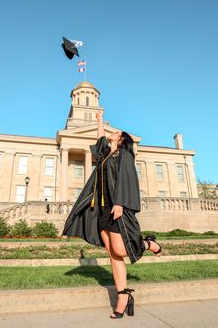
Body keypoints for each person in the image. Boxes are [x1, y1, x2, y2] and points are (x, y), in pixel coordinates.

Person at [62, 110, 161, 319]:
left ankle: (147, 244)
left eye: (116, 132)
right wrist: (99, 121)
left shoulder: (124, 155)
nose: (112, 132)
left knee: (120, 248)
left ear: (122, 139)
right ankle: (123, 296)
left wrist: (121, 203)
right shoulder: (106, 155)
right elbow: (99, 143)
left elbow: (127, 179)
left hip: (117, 206)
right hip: (103, 208)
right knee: (113, 254)